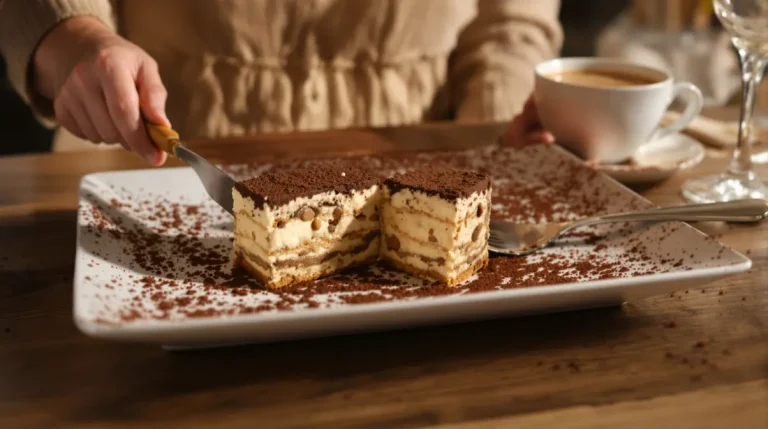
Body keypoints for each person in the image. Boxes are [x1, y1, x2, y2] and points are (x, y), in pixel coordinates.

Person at [0, 0, 561, 165]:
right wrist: (77, 38)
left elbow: (509, 27)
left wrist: (493, 144)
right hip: (142, 169)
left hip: (416, 182)